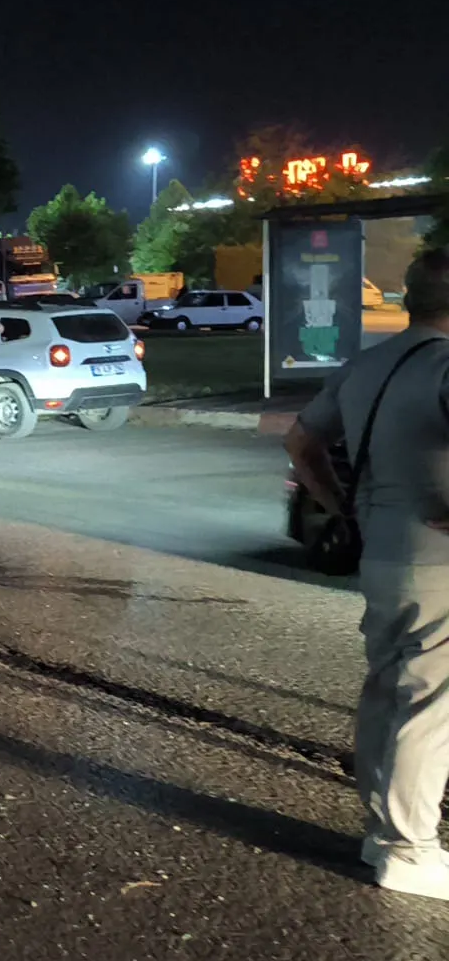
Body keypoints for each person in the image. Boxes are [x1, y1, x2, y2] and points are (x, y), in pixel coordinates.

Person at [286, 248, 449, 899]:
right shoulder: (443, 365)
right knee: (430, 705)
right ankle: (411, 850)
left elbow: (301, 442)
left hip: (381, 555)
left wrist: (341, 505)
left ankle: (380, 830)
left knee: (388, 689)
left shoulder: (367, 365)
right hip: (439, 562)